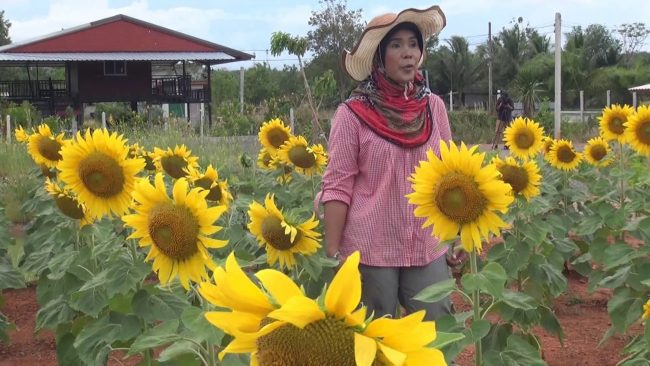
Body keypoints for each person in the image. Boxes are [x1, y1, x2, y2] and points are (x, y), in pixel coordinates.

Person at [316, 5, 456, 321]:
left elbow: (449, 177)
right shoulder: (352, 114)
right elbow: (337, 185)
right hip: (369, 247)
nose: (408, 53)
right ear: (379, 57)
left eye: (413, 43)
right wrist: (334, 254)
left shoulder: (433, 108)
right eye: (396, 45)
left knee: (438, 331)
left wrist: (455, 237)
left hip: (425, 242)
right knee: (373, 337)